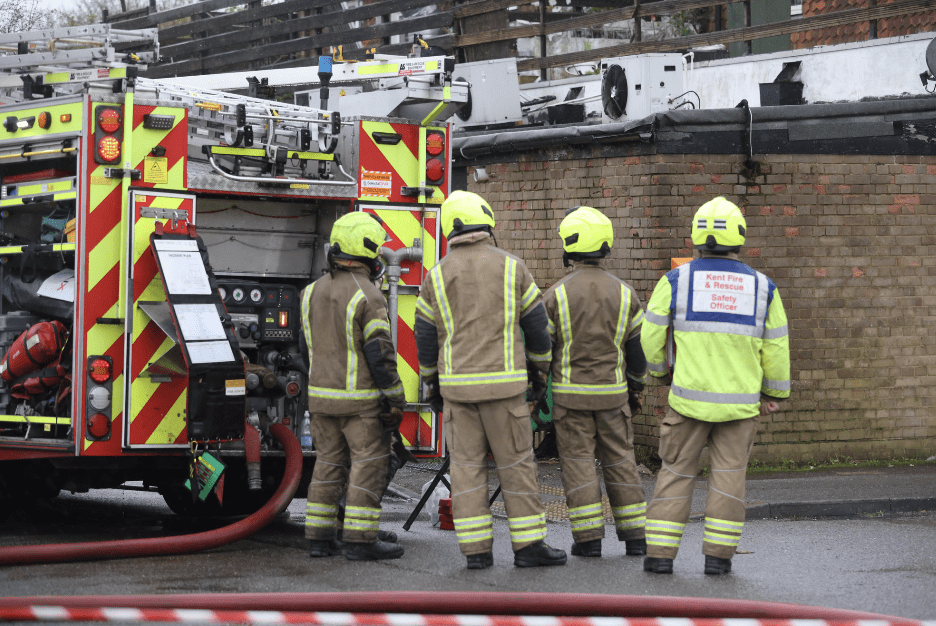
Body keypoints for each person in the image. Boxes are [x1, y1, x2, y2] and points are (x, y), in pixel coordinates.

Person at [414, 190, 567, 570]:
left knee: (465, 469)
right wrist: (539, 376)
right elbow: (537, 333)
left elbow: (425, 337)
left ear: (449, 229)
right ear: (488, 223)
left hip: (457, 392)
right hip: (506, 391)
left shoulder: (435, 277)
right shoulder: (513, 267)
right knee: (516, 465)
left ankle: (477, 552)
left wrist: (432, 385)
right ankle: (529, 546)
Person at [640, 197, 791, 575]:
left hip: (687, 403)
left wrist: (661, 373)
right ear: (739, 236)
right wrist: (773, 393)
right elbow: (776, 345)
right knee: (729, 479)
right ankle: (718, 560)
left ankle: (659, 558)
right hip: (739, 409)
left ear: (696, 237)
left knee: (674, 473)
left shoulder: (675, 280)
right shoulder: (763, 288)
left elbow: (651, 336)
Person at [542, 206, 649, 559]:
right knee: (621, 461)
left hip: (571, 399)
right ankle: (635, 537)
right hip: (614, 397)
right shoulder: (626, 293)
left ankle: (588, 541)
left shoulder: (555, 296)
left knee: (578, 464)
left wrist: (538, 391)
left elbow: (543, 352)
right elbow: (637, 354)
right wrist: (635, 389)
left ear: (570, 245)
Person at [301, 211, 407, 561]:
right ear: (369, 255)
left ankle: (319, 539)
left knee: (327, 464)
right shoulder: (370, 296)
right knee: (368, 464)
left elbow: (305, 349)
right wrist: (395, 399)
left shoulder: (310, 292)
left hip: (320, 401)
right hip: (360, 405)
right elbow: (380, 355)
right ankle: (360, 541)